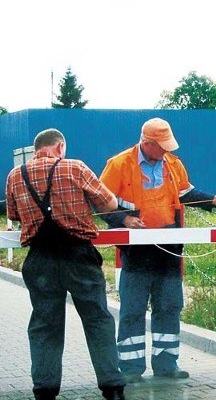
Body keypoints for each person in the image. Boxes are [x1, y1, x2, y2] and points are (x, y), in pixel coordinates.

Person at [5, 128, 126, 400]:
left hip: (40, 259)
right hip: (78, 256)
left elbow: (13, 214)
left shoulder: (15, 175)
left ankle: (45, 390)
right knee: (97, 320)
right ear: (60, 147)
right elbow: (109, 204)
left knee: (45, 324)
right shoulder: (74, 167)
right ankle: (113, 387)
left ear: (37, 149)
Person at [99, 117, 216, 383]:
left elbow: (187, 193)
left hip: (169, 249)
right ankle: (130, 369)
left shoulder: (173, 165)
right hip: (137, 251)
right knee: (133, 308)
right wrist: (124, 220)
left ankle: (167, 365)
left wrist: (212, 200)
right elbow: (101, 202)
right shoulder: (118, 165)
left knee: (169, 306)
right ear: (147, 143)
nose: (167, 151)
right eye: (162, 146)